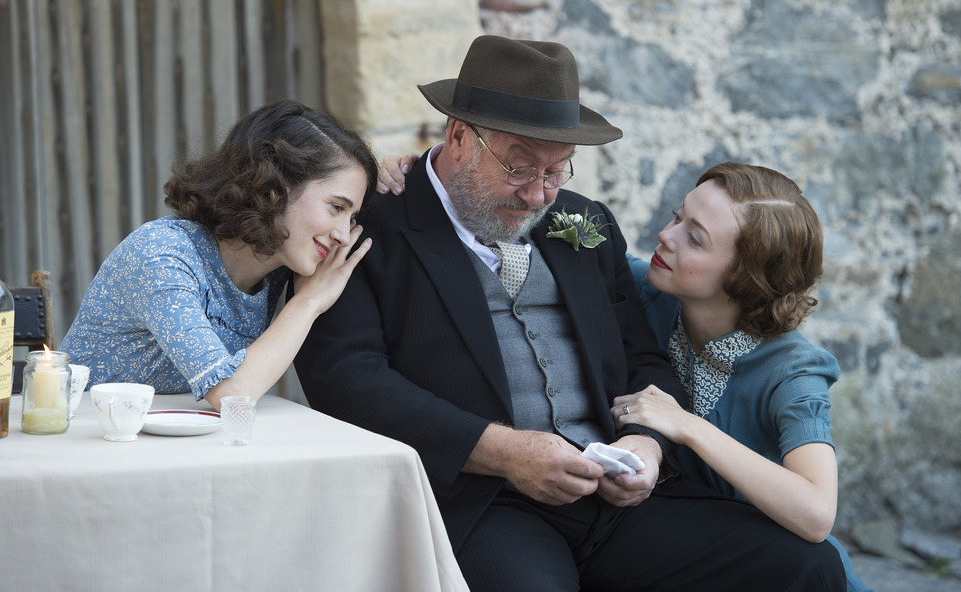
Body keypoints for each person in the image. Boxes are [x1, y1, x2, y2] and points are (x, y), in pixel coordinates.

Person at [294, 35, 846, 591]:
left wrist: (646, 447)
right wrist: (505, 452)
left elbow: (645, 357)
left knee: (807, 566)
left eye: (558, 171)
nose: (539, 196)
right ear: (459, 136)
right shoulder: (372, 225)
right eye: (519, 169)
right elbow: (346, 377)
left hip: (614, 501)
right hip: (486, 504)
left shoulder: (588, 224)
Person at [612, 162, 871, 591]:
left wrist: (685, 425)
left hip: (786, 576)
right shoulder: (648, 292)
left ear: (743, 278)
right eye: (678, 216)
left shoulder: (794, 371)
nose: (666, 235)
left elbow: (817, 513)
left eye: (693, 237)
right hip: (680, 555)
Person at [62, 99, 377, 410]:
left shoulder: (278, 267)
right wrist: (309, 302)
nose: (343, 234)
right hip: (86, 437)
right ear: (276, 185)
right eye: (336, 207)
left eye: (351, 219)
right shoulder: (161, 253)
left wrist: (400, 173)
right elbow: (230, 393)